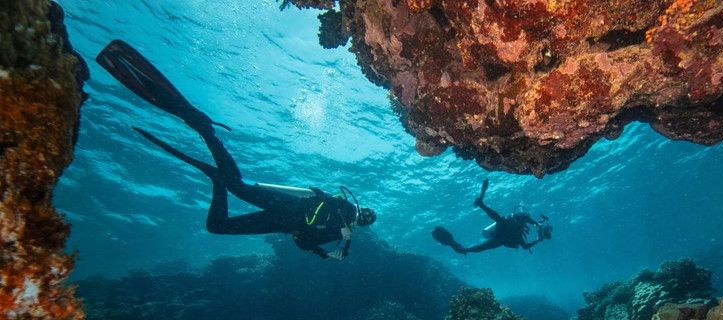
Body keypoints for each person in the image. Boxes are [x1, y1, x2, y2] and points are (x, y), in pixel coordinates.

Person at [96, 40, 376, 260]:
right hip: (283, 213)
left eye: (363, 218)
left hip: (282, 215)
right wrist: (336, 242)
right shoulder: (343, 218)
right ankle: (210, 146)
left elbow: (306, 223)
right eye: (363, 217)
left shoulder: (338, 218)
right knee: (229, 205)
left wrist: (326, 246)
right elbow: (314, 222)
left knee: (228, 205)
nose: (358, 218)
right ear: (360, 216)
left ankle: (212, 158)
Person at [432, 178, 552, 254]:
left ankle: (454, 244)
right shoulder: (520, 217)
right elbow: (527, 236)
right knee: (499, 223)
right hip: (504, 234)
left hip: (504, 237)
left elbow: (526, 245)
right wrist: (538, 235)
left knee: (479, 247)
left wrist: (538, 236)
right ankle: (481, 205)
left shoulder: (521, 221)